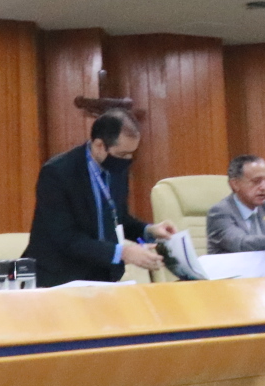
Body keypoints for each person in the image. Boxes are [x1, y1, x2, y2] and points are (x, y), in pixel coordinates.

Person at [25, 109, 176, 286]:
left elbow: (117, 218)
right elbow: (66, 237)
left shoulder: (116, 170)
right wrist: (124, 253)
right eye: (122, 154)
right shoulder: (57, 173)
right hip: (60, 279)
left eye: (131, 154)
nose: (127, 160)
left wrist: (149, 230)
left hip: (102, 277)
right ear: (99, 145)